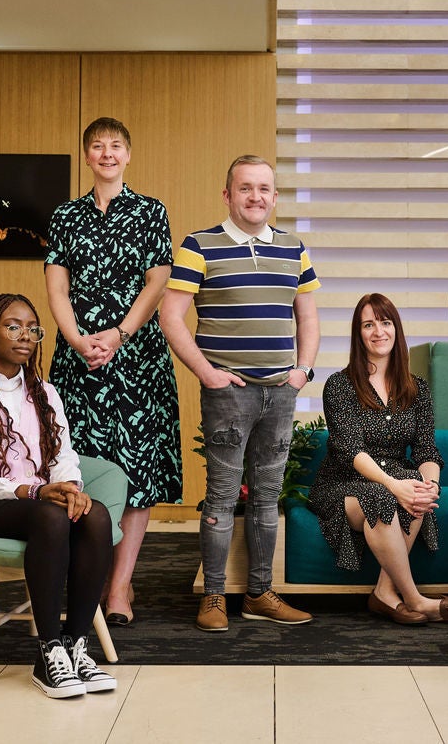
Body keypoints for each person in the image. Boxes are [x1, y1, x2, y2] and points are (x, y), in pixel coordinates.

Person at [160, 154, 320, 632]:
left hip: (281, 391)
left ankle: (259, 593)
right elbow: (171, 317)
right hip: (229, 394)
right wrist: (207, 373)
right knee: (223, 496)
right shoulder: (199, 246)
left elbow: (307, 317)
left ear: (275, 196)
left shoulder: (294, 249)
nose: (256, 197)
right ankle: (213, 597)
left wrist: (303, 371)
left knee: (268, 497)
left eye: (265, 189)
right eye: (245, 188)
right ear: (227, 195)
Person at [0, 293, 116, 699]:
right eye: (13, 326)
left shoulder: (44, 392)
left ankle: (75, 644)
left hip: (39, 499)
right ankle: (47, 651)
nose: (26, 336)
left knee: (96, 515)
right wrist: (32, 490)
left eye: (33, 329)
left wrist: (71, 489)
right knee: (49, 516)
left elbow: (62, 455)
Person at [45, 117, 181, 627]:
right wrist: (79, 339)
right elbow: (57, 288)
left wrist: (119, 334)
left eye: (116, 146)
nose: (107, 153)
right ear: (86, 156)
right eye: (98, 146)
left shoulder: (150, 211)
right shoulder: (64, 216)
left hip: (136, 359)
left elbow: (157, 281)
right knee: (77, 468)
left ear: (128, 155)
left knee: (137, 471)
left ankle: (120, 585)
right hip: (78, 365)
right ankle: (84, 574)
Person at [310, 294, 448, 625]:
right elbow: (350, 449)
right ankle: (416, 600)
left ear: (396, 329)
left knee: (415, 491)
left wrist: (429, 486)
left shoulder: (417, 388)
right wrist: (394, 485)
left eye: (385, 323)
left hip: (397, 478)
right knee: (386, 495)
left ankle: (384, 594)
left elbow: (427, 449)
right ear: (358, 334)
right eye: (368, 324)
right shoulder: (340, 386)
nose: (378, 331)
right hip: (343, 484)